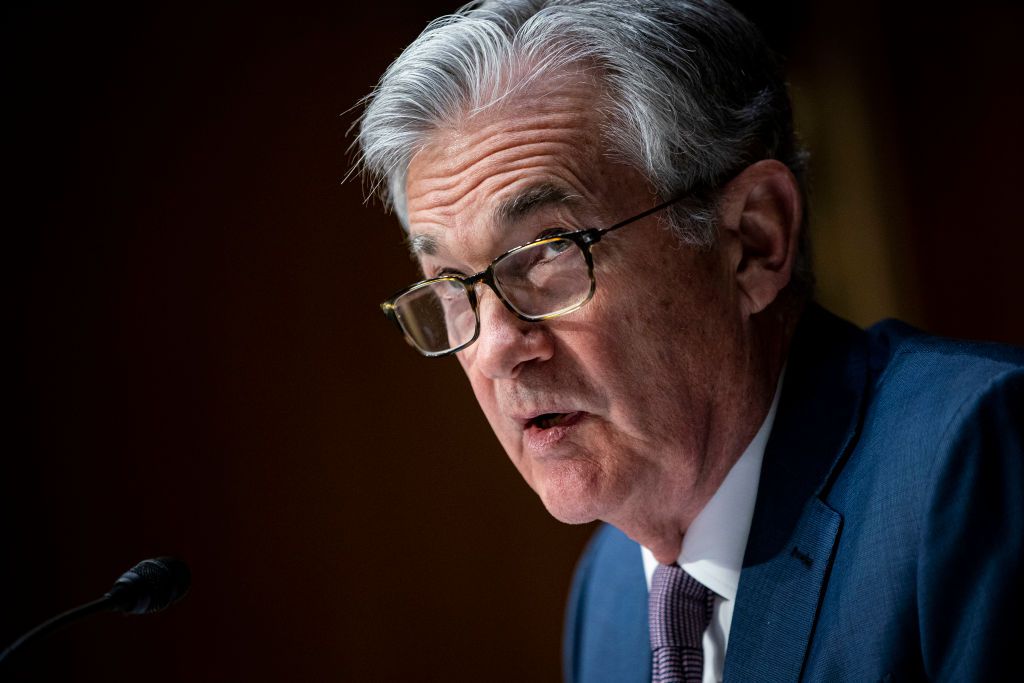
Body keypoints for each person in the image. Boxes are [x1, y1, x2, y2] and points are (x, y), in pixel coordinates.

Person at [354, 1, 1023, 680]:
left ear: (752, 240)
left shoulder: (970, 457)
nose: (496, 347)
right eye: (451, 284)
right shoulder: (609, 593)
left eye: (548, 250)